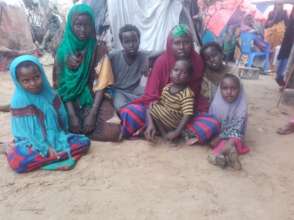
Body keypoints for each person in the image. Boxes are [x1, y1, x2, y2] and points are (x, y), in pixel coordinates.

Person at [120, 24, 221, 144]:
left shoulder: (197, 61)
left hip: (185, 112)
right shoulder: (161, 62)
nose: (182, 47)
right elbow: (151, 97)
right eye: (177, 43)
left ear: (192, 43)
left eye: (186, 42)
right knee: (129, 112)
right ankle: (172, 131)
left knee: (213, 123)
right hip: (160, 112)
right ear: (170, 44)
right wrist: (155, 117)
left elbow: (193, 97)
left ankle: (174, 131)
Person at [2, 55, 90, 173]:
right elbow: (26, 133)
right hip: (33, 143)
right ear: (18, 82)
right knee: (20, 162)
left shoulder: (50, 94)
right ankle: (9, 148)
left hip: (56, 137)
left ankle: (53, 157)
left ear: (42, 74)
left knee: (84, 142)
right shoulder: (18, 101)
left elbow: (61, 119)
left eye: (36, 77)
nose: (33, 83)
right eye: (26, 81)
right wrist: (44, 148)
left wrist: (59, 138)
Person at [53, 4, 121, 141]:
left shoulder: (99, 49)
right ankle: (79, 129)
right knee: (56, 123)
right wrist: (72, 116)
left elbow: (102, 83)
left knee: (113, 131)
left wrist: (93, 114)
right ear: (71, 25)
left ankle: (80, 132)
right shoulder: (62, 52)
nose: (83, 30)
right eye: (78, 25)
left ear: (92, 25)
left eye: (87, 25)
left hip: (93, 97)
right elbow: (61, 86)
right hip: (68, 101)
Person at [82, 24, 154, 139]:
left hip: (134, 91)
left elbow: (161, 52)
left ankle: (140, 121)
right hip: (118, 91)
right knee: (121, 107)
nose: (131, 45)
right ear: (121, 43)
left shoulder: (143, 55)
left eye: (134, 41)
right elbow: (99, 63)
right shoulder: (114, 56)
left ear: (139, 40)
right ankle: (130, 122)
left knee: (149, 99)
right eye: (127, 41)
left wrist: (149, 64)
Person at [145, 58, 195, 142]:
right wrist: (157, 102)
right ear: (171, 72)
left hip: (175, 122)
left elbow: (187, 114)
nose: (178, 74)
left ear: (189, 77)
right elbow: (163, 103)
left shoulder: (187, 94)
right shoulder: (167, 87)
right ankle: (162, 133)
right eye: (176, 70)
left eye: (183, 72)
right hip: (165, 118)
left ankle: (172, 134)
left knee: (151, 110)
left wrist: (177, 131)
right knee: (151, 106)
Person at [208, 74, 249, 170]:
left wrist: (220, 137)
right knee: (214, 142)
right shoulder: (216, 104)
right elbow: (212, 122)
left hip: (234, 135)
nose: (229, 92)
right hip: (218, 134)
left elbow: (238, 128)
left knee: (234, 139)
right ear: (220, 89)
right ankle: (229, 154)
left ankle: (220, 155)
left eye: (233, 88)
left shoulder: (241, 106)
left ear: (240, 90)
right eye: (225, 88)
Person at [275, 8, 294, 87]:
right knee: (287, 56)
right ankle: (282, 78)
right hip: (290, 39)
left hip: (289, 38)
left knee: (286, 55)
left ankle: (282, 77)